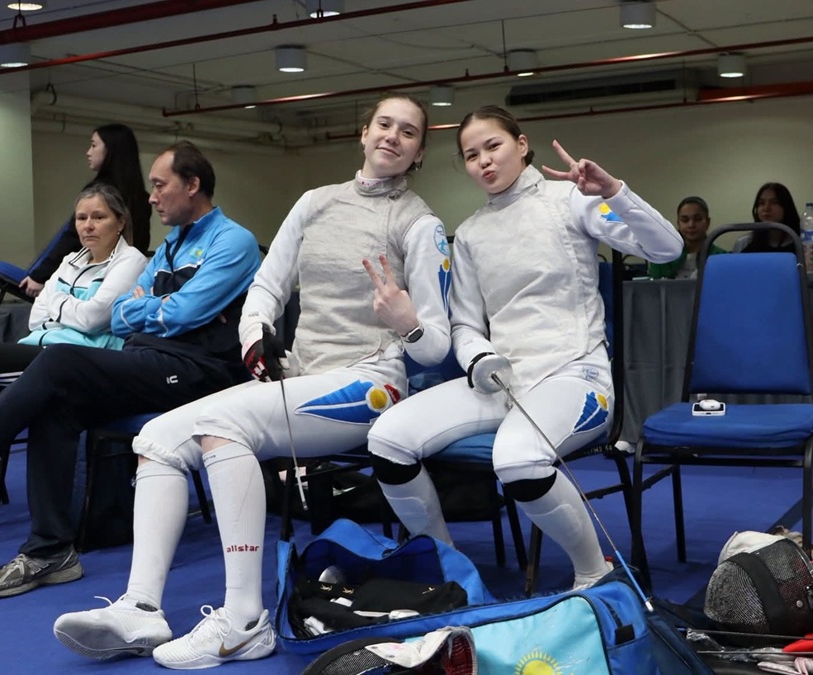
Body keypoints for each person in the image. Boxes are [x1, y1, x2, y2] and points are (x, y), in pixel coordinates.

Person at [52, 93, 452, 669]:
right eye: (384, 124)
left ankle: (243, 619)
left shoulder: (421, 224)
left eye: (408, 132)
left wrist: (406, 321)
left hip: (372, 383)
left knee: (218, 424)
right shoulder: (315, 203)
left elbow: (436, 343)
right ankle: (141, 606)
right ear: (364, 132)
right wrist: (255, 335)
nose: (393, 136)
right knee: (157, 438)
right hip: (300, 377)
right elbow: (266, 287)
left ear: (417, 152)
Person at [0, 140, 260, 597]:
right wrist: (156, 307)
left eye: (160, 186)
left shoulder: (232, 241)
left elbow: (181, 315)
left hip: (197, 373)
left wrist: (152, 307)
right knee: (56, 403)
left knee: (58, 361)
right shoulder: (170, 246)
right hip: (145, 359)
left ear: (193, 185)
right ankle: (49, 551)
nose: (151, 197)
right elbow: (120, 314)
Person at [366, 105, 683, 592]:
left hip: (577, 376)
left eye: (492, 146)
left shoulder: (569, 200)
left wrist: (615, 192)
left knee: (516, 458)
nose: (484, 162)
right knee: (387, 438)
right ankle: (448, 570)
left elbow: (667, 249)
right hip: (503, 379)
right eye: (471, 156)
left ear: (520, 143)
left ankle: (594, 572)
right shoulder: (470, 233)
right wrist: (477, 358)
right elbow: (466, 324)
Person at [0, 184, 147, 559]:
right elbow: (38, 313)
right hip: (36, 350)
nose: (88, 226)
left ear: (119, 222)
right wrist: (66, 308)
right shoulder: (71, 259)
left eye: (99, 217)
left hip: (78, 360)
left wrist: (58, 305)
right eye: (82, 218)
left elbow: (96, 319)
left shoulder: (132, 261)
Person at [19, 123, 152, 297]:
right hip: (125, 281)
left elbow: (71, 239)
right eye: (82, 218)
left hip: (91, 282)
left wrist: (40, 275)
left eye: (94, 145)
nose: (88, 152)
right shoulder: (141, 196)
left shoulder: (99, 192)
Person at [648, 196, 726, 279]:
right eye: (685, 220)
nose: (691, 225)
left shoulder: (721, 257)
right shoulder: (661, 257)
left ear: (707, 222)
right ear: (678, 223)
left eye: (697, 219)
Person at [736, 182, 801, 253]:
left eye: (774, 202)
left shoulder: (803, 243)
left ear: (786, 207)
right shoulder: (745, 242)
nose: (766, 208)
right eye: (761, 203)